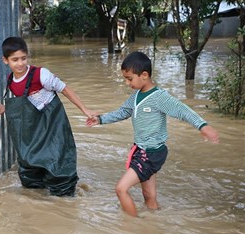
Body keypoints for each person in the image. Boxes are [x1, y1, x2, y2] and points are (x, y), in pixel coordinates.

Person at [86, 51, 219, 217]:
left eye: (129, 79)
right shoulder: (135, 97)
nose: (127, 83)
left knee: (121, 189)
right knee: (149, 196)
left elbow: (182, 110)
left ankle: (133, 227)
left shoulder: (159, 97)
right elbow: (122, 112)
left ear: (144, 75)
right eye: (125, 79)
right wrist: (100, 119)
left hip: (151, 153)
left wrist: (203, 126)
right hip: (142, 151)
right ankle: (153, 227)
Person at [0, 36, 96, 196]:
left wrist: (85, 110)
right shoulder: (10, 81)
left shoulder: (41, 75)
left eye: (23, 58)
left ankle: (66, 201)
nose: (20, 63)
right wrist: (4, 109)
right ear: (5, 60)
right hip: (33, 131)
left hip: (53, 125)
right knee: (31, 169)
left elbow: (65, 89)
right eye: (15, 60)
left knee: (58, 162)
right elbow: (22, 108)